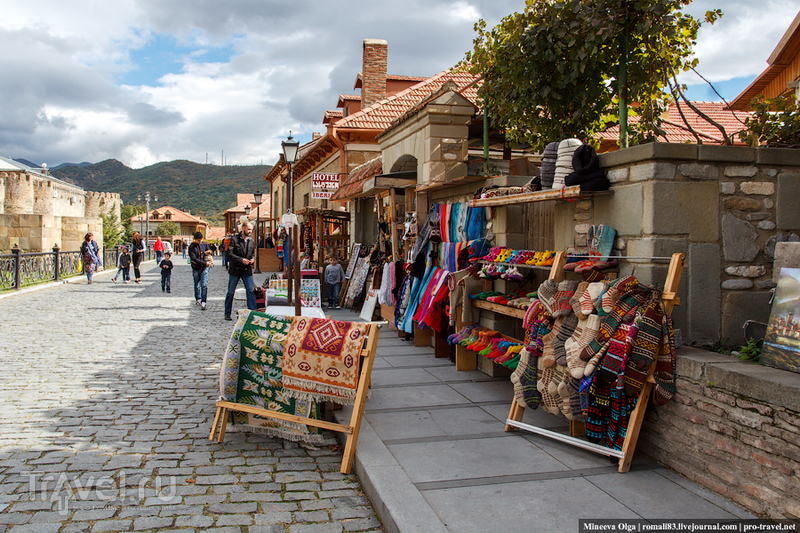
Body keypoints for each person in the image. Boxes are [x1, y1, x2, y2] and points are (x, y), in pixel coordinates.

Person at [224, 222, 257, 321]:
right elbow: (229, 254)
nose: (250, 231)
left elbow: (253, 254)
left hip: (247, 269)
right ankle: (227, 313)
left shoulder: (251, 241)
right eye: (249, 229)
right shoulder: (234, 240)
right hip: (236, 269)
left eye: (251, 229)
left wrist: (253, 260)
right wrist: (240, 260)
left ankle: (252, 313)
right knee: (230, 291)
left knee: (250, 290)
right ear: (243, 229)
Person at [189, 231, 211, 310]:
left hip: (205, 268)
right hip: (196, 268)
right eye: (198, 240)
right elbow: (194, 259)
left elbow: (209, 251)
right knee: (197, 285)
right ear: (194, 239)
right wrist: (204, 263)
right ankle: (198, 298)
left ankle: (204, 301)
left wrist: (208, 253)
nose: (200, 242)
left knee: (204, 285)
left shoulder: (204, 244)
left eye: (201, 240)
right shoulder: (191, 247)